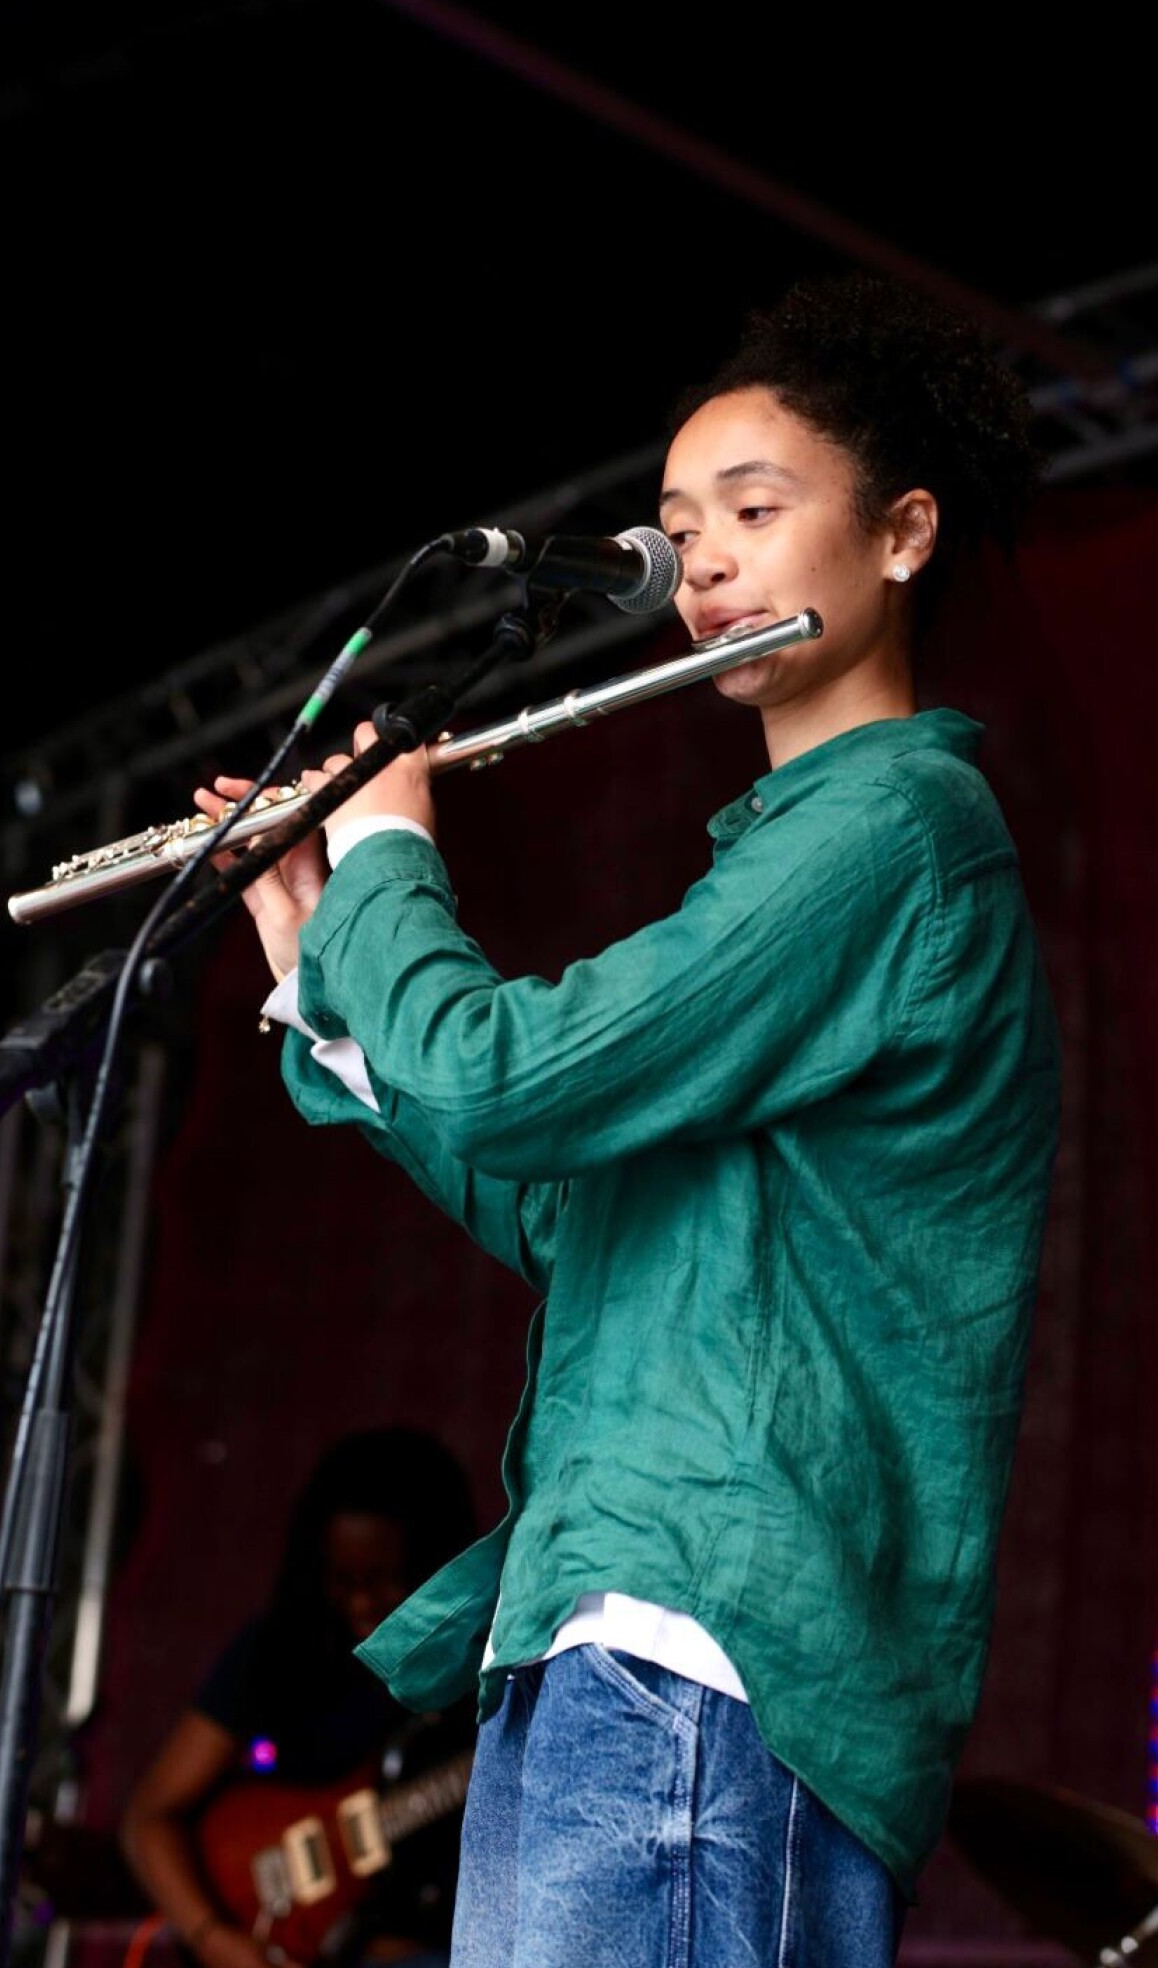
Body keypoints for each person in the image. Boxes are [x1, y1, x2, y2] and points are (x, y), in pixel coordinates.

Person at [193, 271, 1063, 1965]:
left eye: (752, 509)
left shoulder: (893, 827)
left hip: (710, 1636)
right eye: (676, 530)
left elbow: (506, 1076)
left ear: (900, 533)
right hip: (614, 1622)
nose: (703, 560)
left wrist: (388, 851)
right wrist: (323, 972)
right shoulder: (797, 858)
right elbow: (568, 1211)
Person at [117, 1426, 479, 1968]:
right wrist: (215, 1939)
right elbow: (149, 1818)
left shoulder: (483, 1662)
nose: (360, 1601)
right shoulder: (277, 1649)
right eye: (343, 1580)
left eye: (384, 1580)